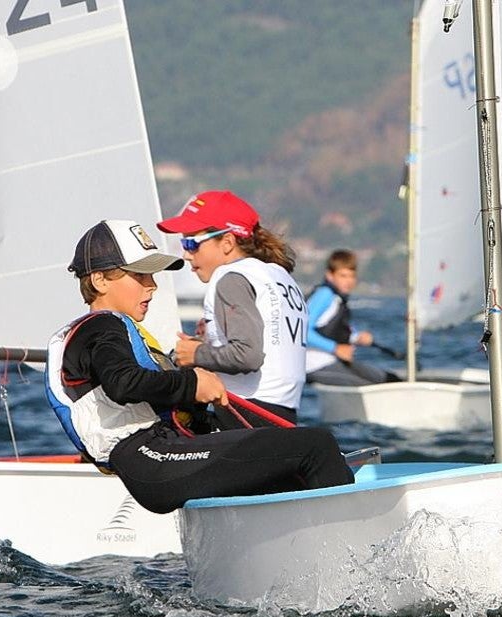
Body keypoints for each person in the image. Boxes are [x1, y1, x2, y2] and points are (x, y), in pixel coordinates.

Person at [44, 219, 354, 514]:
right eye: (140, 276)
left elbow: (142, 386)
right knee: (315, 445)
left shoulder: (112, 330)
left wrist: (191, 390)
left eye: (153, 276)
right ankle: (353, 550)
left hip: (161, 451)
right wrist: (193, 383)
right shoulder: (101, 327)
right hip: (150, 459)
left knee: (290, 467)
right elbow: (123, 383)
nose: (151, 286)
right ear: (99, 280)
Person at [157, 190, 308, 429]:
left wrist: (194, 354)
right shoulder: (278, 275)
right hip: (282, 416)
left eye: (191, 243)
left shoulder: (230, 277)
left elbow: (248, 355)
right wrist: (202, 345)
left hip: (247, 415)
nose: (186, 255)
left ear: (227, 242)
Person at [305, 250, 399, 386]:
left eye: (352, 276)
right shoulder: (324, 295)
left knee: (390, 379)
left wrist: (356, 337)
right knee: (373, 387)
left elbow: (330, 329)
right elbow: (303, 331)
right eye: (343, 276)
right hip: (315, 365)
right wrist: (335, 348)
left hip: (333, 361)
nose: (348, 281)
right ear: (330, 275)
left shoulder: (338, 299)